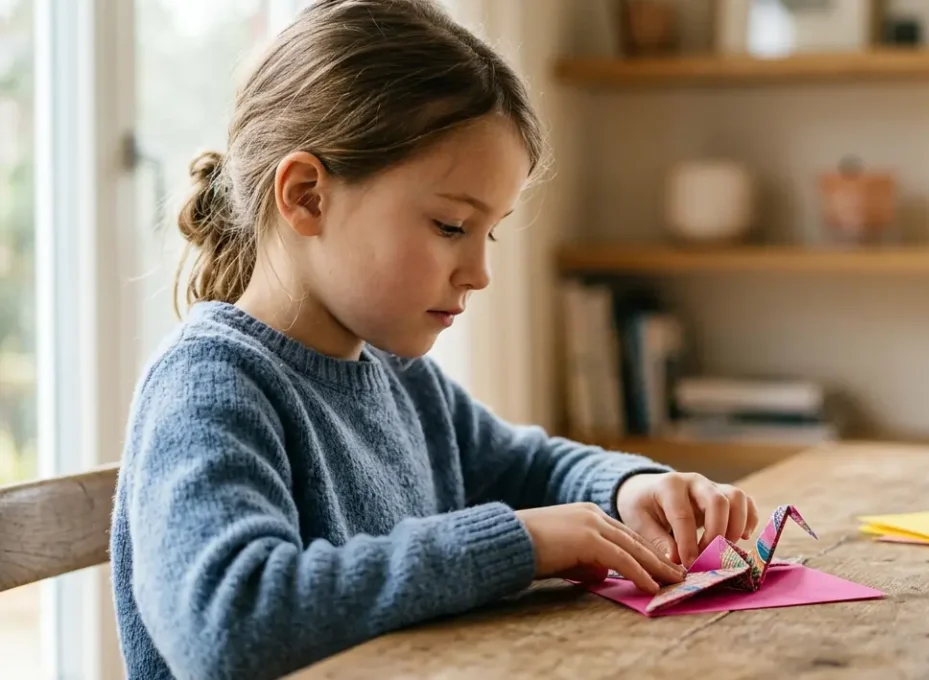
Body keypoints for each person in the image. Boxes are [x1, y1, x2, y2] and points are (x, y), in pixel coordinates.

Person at [108, 1, 760, 677]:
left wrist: (628, 488)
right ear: (307, 196)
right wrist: (515, 544)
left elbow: (526, 469)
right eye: (451, 226)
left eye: (491, 232)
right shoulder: (210, 383)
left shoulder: (397, 376)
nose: (479, 273)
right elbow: (229, 625)